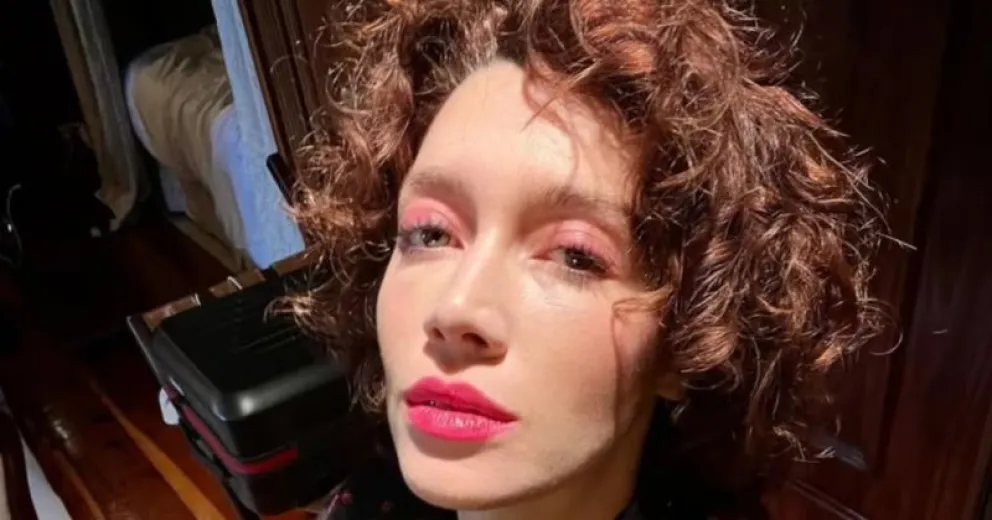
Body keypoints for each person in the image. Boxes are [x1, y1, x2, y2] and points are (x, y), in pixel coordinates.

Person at [286, 0, 886, 518]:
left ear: (686, 342)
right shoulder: (365, 503)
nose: (455, 308)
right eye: (430, 234)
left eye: (575, 256)